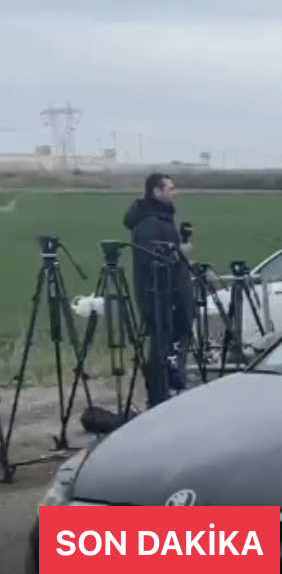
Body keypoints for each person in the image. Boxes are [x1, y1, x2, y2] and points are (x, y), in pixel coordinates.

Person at [123, 172, 190, 404]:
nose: (175, 192)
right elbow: (151, 261)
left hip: (170, 293)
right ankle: (159, 396)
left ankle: (167, 390)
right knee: (160, 347)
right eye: (170, 188)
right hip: (158, 295)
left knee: (168, 344)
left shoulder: (161, 218)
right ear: (157, 191)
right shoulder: (149, 223)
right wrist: (179, 255)